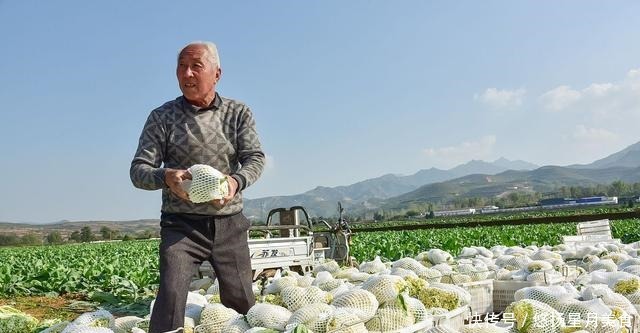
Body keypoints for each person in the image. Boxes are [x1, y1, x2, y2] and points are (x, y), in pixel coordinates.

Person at [130, 41, 265, 333]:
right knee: (171, 296)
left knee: (242, 302)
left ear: (217, 74)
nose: (187, 74)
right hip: (181, 225)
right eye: (181, 66)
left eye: (196, 66)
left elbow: (255, 158)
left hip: (229, 224)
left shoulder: (237, 112)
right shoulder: (161, 117)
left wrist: (234, 181)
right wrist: (165, 176)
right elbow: (138, 170)